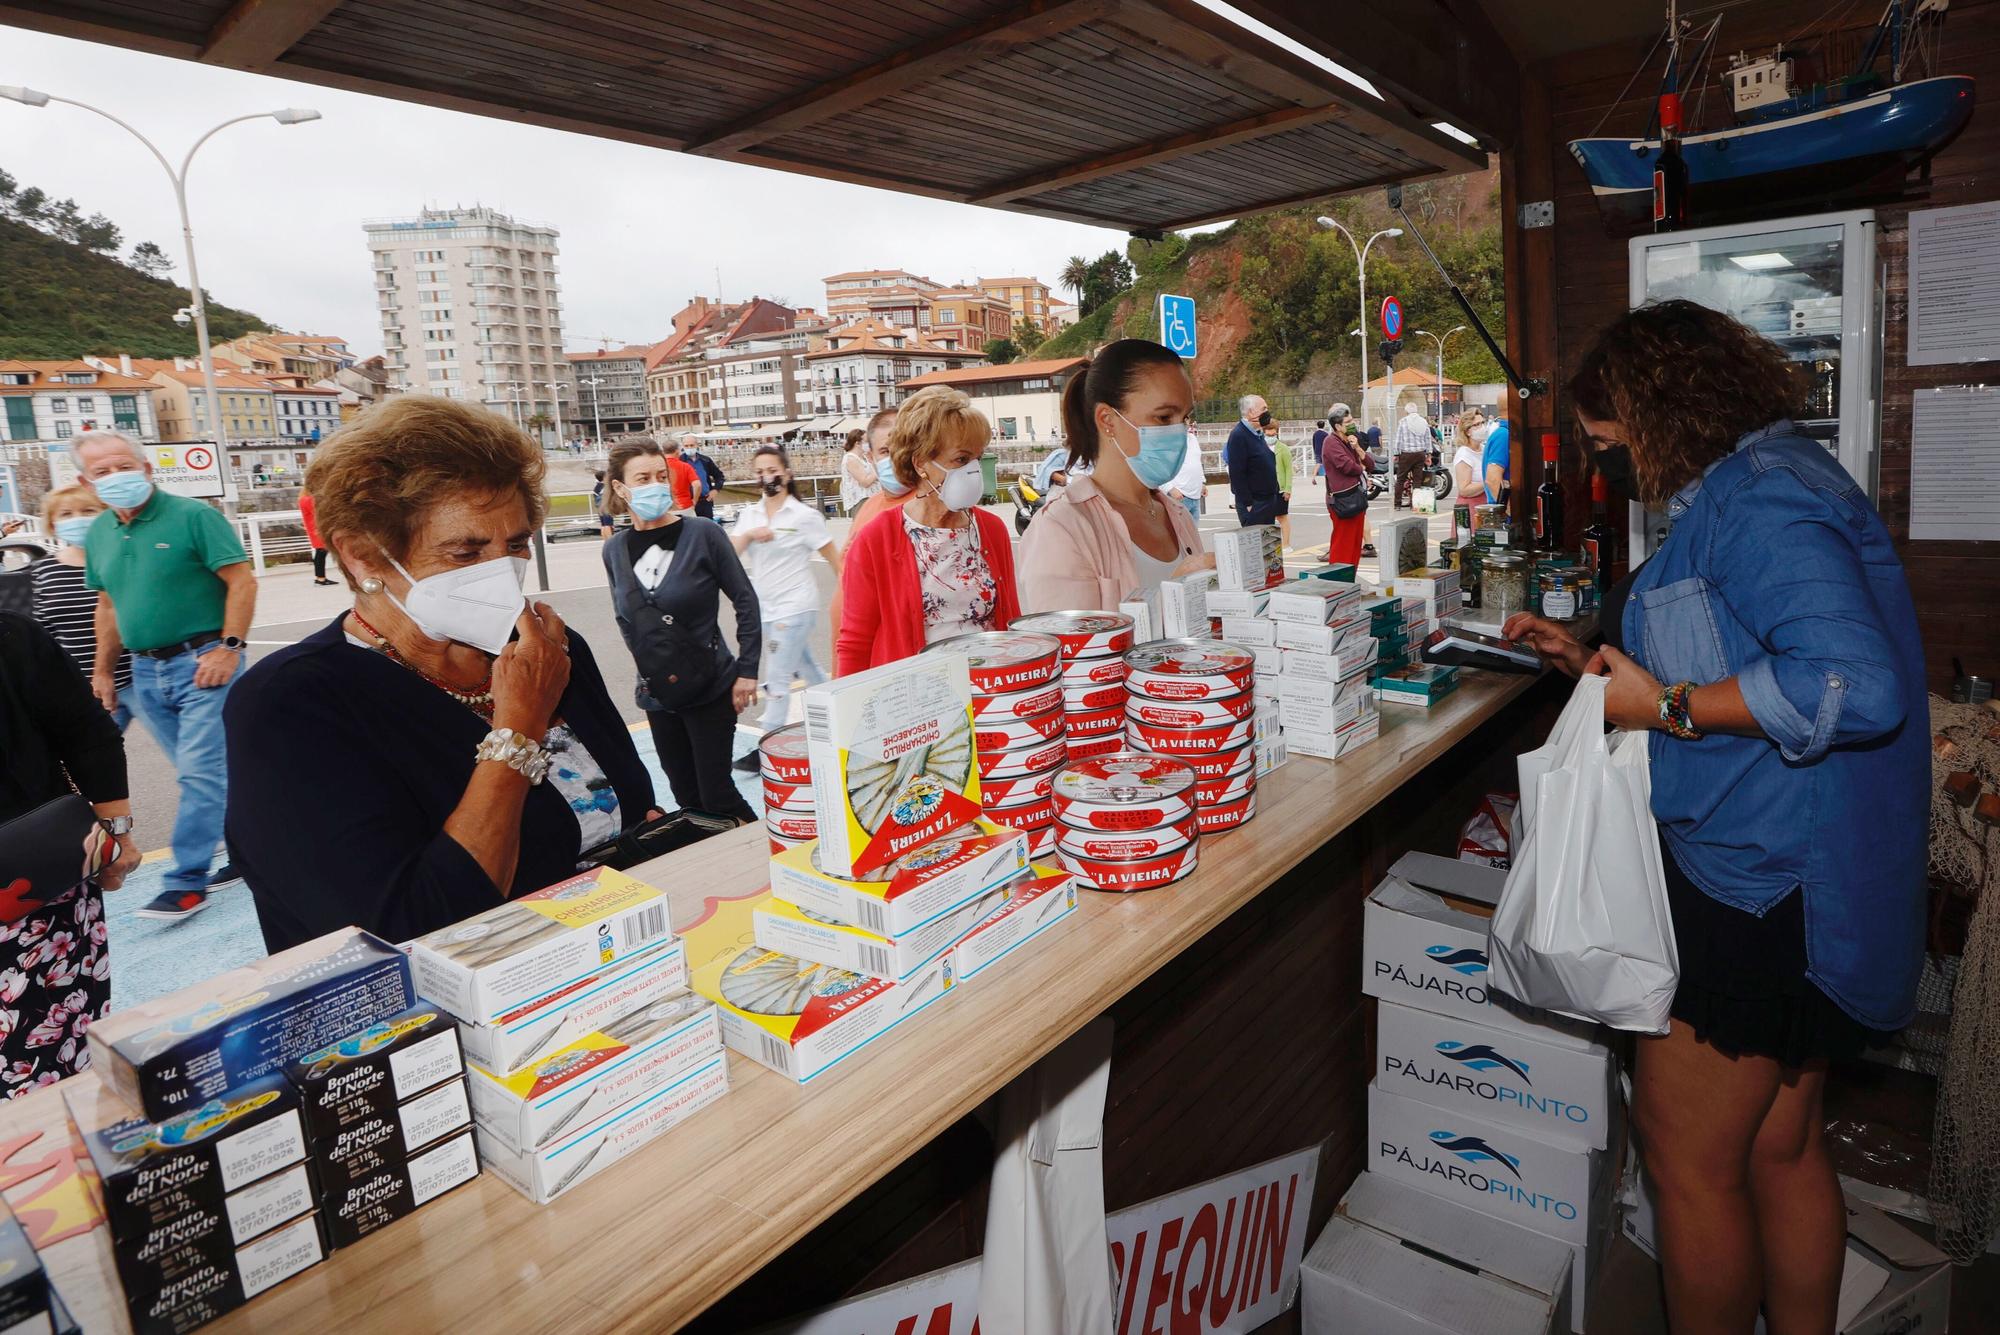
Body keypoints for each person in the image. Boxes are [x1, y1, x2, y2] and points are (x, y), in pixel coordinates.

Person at [1502, 300, 1926, 1335]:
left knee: (1686, 1162)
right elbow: (1735, 627)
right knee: (1780, 1147)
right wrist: (1589, 654)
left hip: (1765, 888)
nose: (1606, 463)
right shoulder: (1767, 475)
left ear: (1659, 412)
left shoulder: (1759, 502)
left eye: (1609, 438)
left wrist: (1667, 708)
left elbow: (1851, 683)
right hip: (1806, 878)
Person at [225, 399, 661, 952]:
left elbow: (627, 805)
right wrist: (518, 727)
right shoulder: (290, 704)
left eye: (517, 544)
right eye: (464, 551)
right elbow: (406, 930)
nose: (501, 573)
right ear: (362, 557)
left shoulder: (546, 650)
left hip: (604, 963)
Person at [76, 430, 254, 923]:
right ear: (85, 482)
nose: (115, 478)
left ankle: (186, 883)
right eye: (102, 472)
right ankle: (250, 850)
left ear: (147, 469)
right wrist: (104, 671)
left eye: (122, 466)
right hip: (146, 671)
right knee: (209, 775)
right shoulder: (100, 534)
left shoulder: (194, 516)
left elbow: (241, 579)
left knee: (201, 774)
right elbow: (108, 604)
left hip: (204, 663)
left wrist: (230, 648)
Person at [0, 613, 138, 1092]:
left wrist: (117, 836)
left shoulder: (12, 637)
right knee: (53, 1065)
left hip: (31, 895)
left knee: (48, 1063)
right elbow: (86, 734)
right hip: (34, 891)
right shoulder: (10, 635)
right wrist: (117, 838)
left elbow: (88, 737)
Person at [601, 436, 760, 823]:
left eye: (661, 475)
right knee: (685, 795)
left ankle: (762, 857)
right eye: (642, 478)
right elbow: (626, 620)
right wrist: (650, 668)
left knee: (717, 793)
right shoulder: (614, 550)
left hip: (711, 686)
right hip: (658, 695)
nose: (655, 484)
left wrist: (747, 671)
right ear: (621, 488)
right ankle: (715, 868)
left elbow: (745, 601)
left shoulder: (703, 534)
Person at [837, 386, 1019, 675]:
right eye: (961, 459)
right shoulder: (875, 539)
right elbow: (854, 642)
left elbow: (1010, 621)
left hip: (989, 692)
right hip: (916, 701)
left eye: (978, 458)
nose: (973, 469)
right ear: (921, 463)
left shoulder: (992, 529)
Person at [1018, 340, 1206, 612]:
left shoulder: (1178, 515)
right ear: (1107, 420)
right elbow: (1074, 648)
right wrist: (1176, 597)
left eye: (1185, 418)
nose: (1179, 432)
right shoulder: (1062, 527)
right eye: (1164, 418)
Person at [730, 445, 842, 771]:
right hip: (766, 608)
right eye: (760, 472)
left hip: (796, 606)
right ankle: (840, 717)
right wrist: (750, 534)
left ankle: (768, 744)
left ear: (787, 473)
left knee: (777, 677)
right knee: (808, 671)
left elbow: (835, 560)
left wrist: (848, 597)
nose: (767, 477)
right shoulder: (749, 515)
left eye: (773, 470)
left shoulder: (804, 516)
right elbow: (730, 553)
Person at [31, 485, 131, 729]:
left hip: (138, 677)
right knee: (95, 759)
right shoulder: (44, 569)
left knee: (192, 756)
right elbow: (44, 629)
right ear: (53, 524)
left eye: (89, 510)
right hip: (84, 686)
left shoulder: (125, 557)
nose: (79, 519)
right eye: (66, 514)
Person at [1223, 395, 1283, 529]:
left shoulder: (1257, 433)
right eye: (1264, 408)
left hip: (1267, 500)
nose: (1267, 411)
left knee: (1267, 545)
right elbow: (1237, 472)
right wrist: (1248, 503)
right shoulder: (1239, 435)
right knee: (1255, 546)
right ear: (1251, 412)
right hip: (1255, 504)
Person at [1319, 415, 1369, 568]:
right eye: (1348, 422)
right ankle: (1338, 582)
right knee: (1343, 546)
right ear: (1337, 426)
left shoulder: (1350, 441)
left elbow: (1371, 463)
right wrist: (1361, 469)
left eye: (1353, 420)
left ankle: (1350, 580)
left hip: (1357, 498)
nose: (1352, 424)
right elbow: (1347, 466)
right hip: (1343, 501)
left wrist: (1358, 448)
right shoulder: (1331, 442)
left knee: (1354, 546)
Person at [1450, 409, 1490, 537]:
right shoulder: (1464, 454)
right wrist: (1489, 482)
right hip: (1470, 510)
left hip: (1485, 508)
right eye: (1477, 425)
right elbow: (1464, 489)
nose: (1482, 427)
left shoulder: (1484, 449)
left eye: (1483, 423)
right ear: (1467, 431)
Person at [1390, 398, 1432, 510]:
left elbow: (1398, 439)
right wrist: (1428, 454)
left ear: (1406, 411)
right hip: (1420, 454)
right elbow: (1428, 439)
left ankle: (1397, 504)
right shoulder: (1423, 422)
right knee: (1417, 480)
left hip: (1406, 454)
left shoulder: (1403, 422)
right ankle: (1415, 504)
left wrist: (1396, 454)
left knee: (1400, 479)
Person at [1165, 421, 1206, 525]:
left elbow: (1197, 461)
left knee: (1193, 536)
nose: (1188, 422)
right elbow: (1160, 467)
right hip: (1179, 495)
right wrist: (1170, 488)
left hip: (1195, 496)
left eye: (1188, 419)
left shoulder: (1192, 438)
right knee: (1179, 535)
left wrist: (1202, 482)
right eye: (1184, 419)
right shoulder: (1168, 442)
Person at [1265, 418, 1294, 549]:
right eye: (1268, 434)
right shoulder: (1260, 447)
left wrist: (1288, 489)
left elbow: (1289, 470)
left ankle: (1286, 544)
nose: (1271, 436)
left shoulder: (1283, 448)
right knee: (1267, 519)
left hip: (1280, 488)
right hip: (1265, 489)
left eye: (1273, 434)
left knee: (1282, 517)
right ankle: (1271, 546)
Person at [663, 436, 709, 515]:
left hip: (666, 508)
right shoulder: (685, 466)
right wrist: (694, 501)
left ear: (663, 451)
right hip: (685, 507)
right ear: (677, 451)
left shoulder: (659, 466)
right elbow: (697, 485)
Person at [838, 429, 878, 517]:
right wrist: (878, 469)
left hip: (871, 498)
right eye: (866, 441)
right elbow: (865, 482)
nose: (869, 444)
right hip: (861, 500)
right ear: (857, 443)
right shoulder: (851, 459)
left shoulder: (863, 457)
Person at [299, 488, 334, 585]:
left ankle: (320, 577)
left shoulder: (303, 499)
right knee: (321, 553)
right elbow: (318, 513)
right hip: (317, 529)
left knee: (320, 553)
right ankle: (320, 578)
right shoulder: (309, 500)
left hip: (314, 529)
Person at [684, 440, 726, 520]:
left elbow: (719, 476)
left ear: (697, 445)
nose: (689, 448)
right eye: (686, 446)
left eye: (691, 445)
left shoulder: (705, 460)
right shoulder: (681, 461)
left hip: (705, 501)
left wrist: (715, 490)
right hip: (688, 503)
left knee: (707, 529)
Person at [1481, 414, 1511, 504]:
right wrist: (1510, 511)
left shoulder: (1505, 433)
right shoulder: (1504, 435)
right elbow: (1493, 480)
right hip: (1504, 515)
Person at [593, 469, 615, 541]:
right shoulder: (604, 486)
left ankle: (605, 540)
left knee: (603, 525)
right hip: (606, 507)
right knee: (608, 525)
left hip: (599, 508)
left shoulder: (596, 487)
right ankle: (610, 540)